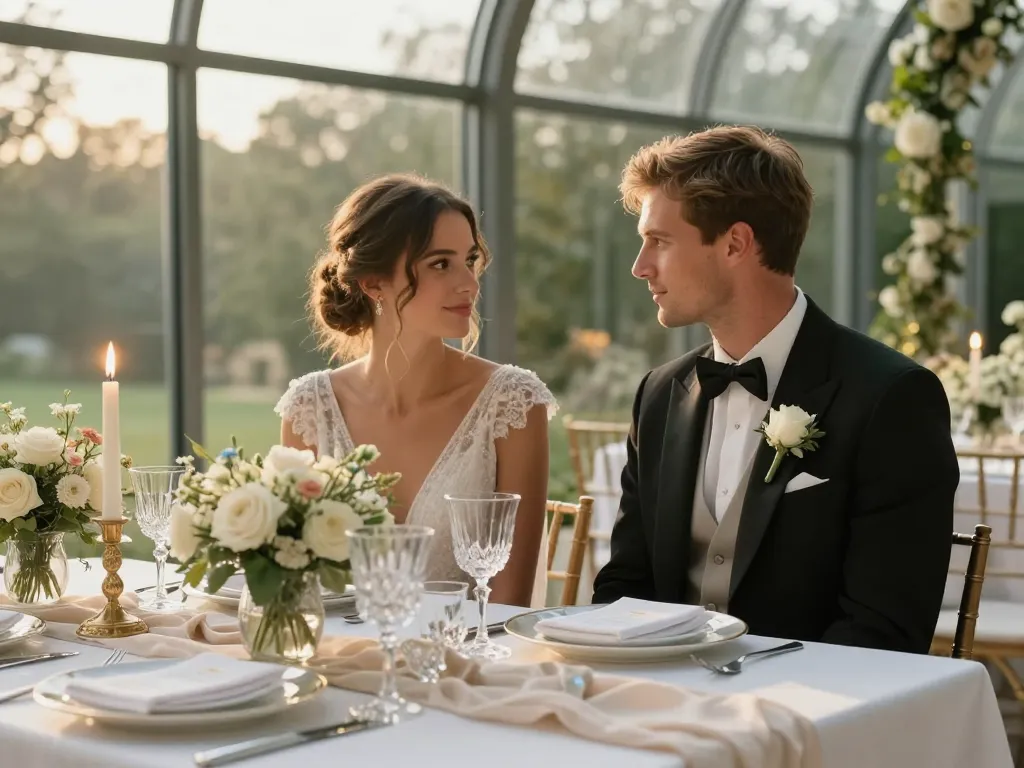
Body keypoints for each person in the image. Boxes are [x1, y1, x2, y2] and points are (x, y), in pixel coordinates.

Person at [591, 126, 958, 654]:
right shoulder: (659, 394)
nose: (640, 266)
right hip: (661, 709)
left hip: (811, 718)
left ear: (736, 243)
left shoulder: (892, 398)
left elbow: (883, 632)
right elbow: (624, 591)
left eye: (660, 241)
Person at [275, 173, 556, 606]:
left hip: (471, 663)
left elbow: (508, 606)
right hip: (344, 660)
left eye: (470, 260)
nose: (469, 283)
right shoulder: (310, 409)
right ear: (373, 283)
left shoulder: (513, 403)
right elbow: (296, 585)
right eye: (441, 264)